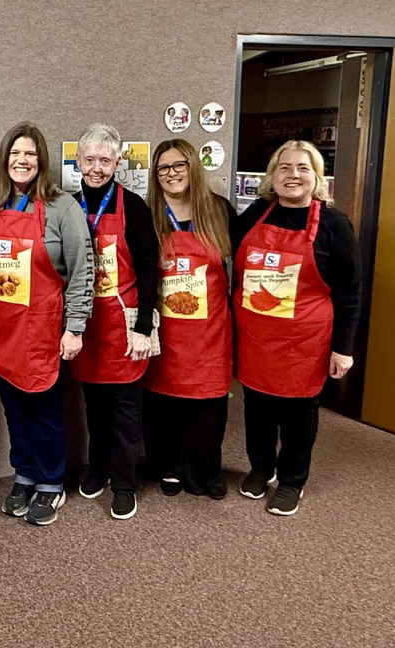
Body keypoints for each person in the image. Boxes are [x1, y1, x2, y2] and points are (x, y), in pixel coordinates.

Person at [233, 140, 361, 516]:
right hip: (256, 338)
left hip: (305, 341)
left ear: (317, 177)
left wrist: (344, 347)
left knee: (297, 414)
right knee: (255, 407)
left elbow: (349, 293)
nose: (293, 175)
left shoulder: (334, 225)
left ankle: (292, 480)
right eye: (284, 167)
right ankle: (261, 468)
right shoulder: (256, 213)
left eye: (303, 168)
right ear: (273, 176)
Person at [0, 122, 94, 527]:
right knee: (15, 411)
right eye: (15, 153)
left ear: (40, 160)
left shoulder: (63, 207)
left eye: (29, 154)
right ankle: (24, 475)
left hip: (44, 332)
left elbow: (82, 272)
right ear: (4, 159)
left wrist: (74, 327)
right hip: (1, 331)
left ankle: (51, 483)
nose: (22, 161)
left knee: (45, 412)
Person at [69, 124, 157, 521]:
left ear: (118, 162)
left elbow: (148, 269)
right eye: (90, 160)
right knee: (94, 402)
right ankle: (98, 468)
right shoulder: (68, 206)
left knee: (125, 408)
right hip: (85, 321)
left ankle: (124, 483)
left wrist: (142, 327)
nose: (97, 168)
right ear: (78, 161)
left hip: (123, 321)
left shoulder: (134, 206)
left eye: (105, 160)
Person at [142, 138, 236, 501]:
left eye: (179, 165)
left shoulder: (219, 210)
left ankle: (203, 471)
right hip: (166, 329)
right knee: (162, 404)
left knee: (207, 405)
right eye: (164, 167)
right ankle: (167, 466)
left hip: (210, 330)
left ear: (193, 166)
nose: (172, 173)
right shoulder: (147, 213)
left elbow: (241, 268)